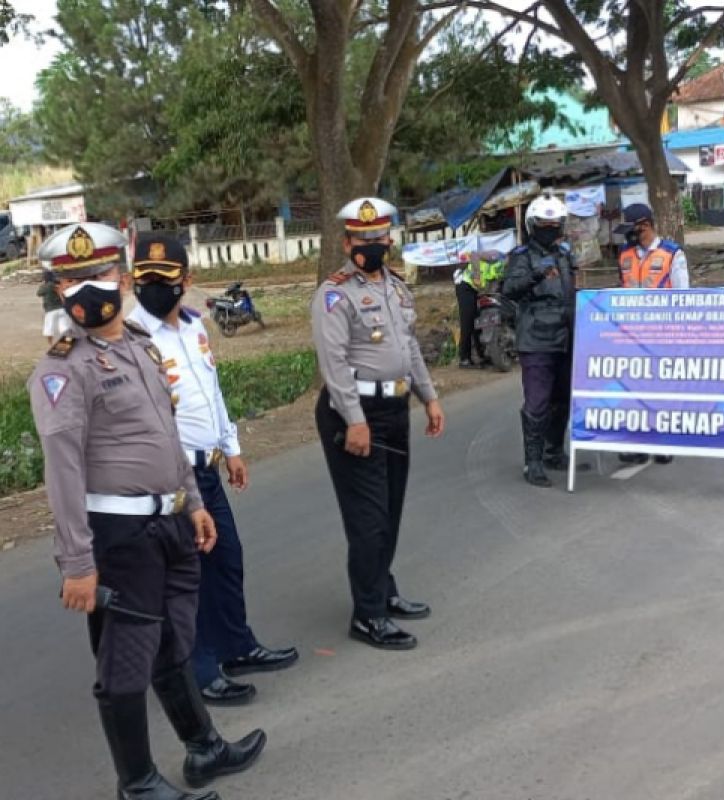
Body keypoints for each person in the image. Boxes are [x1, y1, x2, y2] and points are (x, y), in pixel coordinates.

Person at [28, 222, 265, 800]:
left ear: (121, 276)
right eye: (72, 279)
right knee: (125, 659)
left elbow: (165, 435)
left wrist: (194, 502)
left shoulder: (140, 346)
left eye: (99, 274)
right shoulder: (62, 369)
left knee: (170, 644)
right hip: (117, 534)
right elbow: (61, 473)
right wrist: (77, 563)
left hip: (170, 519)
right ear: (59, 290)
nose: (89, 288)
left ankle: (204, 748)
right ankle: (136, 783)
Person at [127, 234, 298, 707]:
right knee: (189, 575)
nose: (154, 288)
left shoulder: (194, 326)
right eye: (145, 280)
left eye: (164, 279)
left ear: (187, 280)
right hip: (172, 479)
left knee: (227, 559)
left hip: (208, 469)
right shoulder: (131, 341)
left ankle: (236, 646)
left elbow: (211, 392)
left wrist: (232, 447)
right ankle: (201, 670)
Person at [312, 197, 446, 651]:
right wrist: (353, 419)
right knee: (367, 519)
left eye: (378, 237)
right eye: (361, 239)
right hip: (354, 413)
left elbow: (409, 350)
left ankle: (382, 592)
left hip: (395, 409)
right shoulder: (334, 293)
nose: (371, 244)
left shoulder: (397, 289)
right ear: (347, 242)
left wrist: (429, 397)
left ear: (389, 238)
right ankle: (367, 615)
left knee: (389, 510)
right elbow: (333, 364)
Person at [501, 194, 582, 488]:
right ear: (532, 225)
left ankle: (553, 452)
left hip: (567, 337)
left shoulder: (565, 255)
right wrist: (535, 276)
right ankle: (532, 463)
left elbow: (574, 293)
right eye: (544, 224)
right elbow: (508, 289)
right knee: (538, 402)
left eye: (554, 224)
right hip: (536, 338)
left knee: (562, 399)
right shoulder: (522, 256)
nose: (550, 228)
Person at [613, 202, 690, 466]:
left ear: (644, 225)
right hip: (632, 336)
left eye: (631, 229)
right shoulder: (624, 254)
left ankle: (663, 441)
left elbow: (683, 295)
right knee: (634, 389)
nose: (627, 235)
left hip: (663, 334)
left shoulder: (671, 253)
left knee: (662, 390)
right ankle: (636, 443)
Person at [453, 249, 505, 369]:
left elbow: (494, 285)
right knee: (468, 321)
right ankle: (464, 359)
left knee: (479, 321)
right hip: (465, 285)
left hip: (476, 289)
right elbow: (474, 255)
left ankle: (482, 356)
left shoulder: (504, 271)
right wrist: (477, 276)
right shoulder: (497, 255)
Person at [38, 269, 70, 343]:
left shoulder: (45, 286)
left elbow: (39, 293)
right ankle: (66, 342)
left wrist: (43, 284)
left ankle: (50, 344)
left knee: (48, 329)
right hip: (61, 308)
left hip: (50, 310)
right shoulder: (57, 284)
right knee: (63, 327)